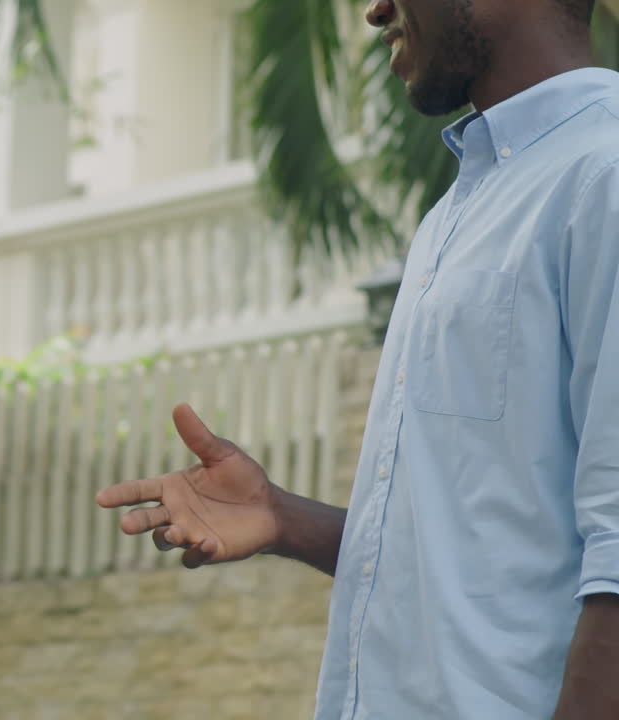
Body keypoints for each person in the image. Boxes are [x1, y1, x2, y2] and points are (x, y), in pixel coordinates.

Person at [97, 0, 619, 717]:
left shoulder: (605, 172)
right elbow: (472, 555)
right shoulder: (455, 213)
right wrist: (283, 518)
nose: (374, 10)